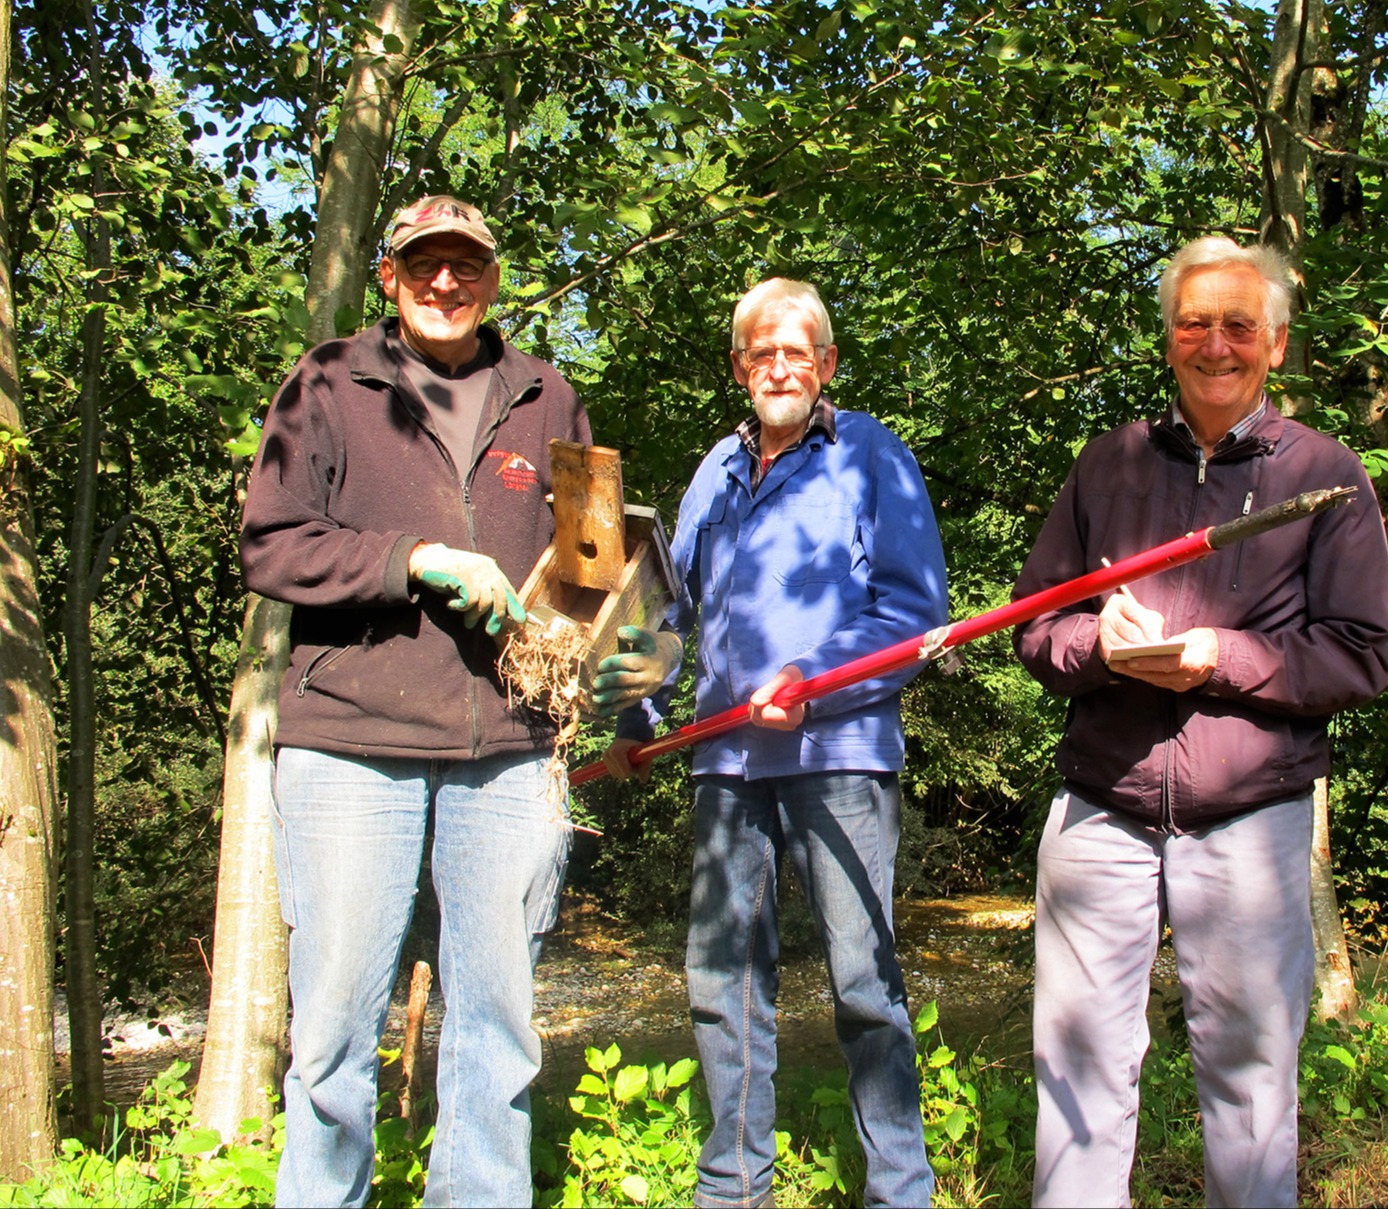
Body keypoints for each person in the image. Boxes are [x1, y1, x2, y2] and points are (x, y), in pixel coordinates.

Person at [1011, 236, 1388, 1208]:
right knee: (1076, 1078)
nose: (1214, 345)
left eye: (1237, 325)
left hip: (1252, 824)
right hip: (1101, 810)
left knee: (1249, 1085)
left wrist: (1218, 660)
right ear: (1168, 338)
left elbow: (1365, 653)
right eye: (1194, 323)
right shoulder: (1109, 465)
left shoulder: (1325, 475)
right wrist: (1098, 646)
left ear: (1273, 341)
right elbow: (1032, 626)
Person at [240, 194, 589, 1207]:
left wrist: (613, 642)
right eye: (424, 264)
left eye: (467, 266)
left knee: (496, 1034)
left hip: (512, 750)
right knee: (336, 1034)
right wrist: (415, 559)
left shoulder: (547, 398)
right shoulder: (328, 384)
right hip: (352, 743)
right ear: (388, 277)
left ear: (491, 279)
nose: (447, 283)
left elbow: (591, 555)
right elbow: (271, 543)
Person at [594, 278, 947, 1209]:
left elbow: (913, 612)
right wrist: (641, 706)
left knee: (864, 985)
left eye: (798, 351)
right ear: (740, 367)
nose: (779, 366)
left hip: (839, 757)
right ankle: (732, 1188)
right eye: (761, 352)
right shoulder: (714, 469)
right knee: (722, 983)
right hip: (724, 765)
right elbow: (670, 613)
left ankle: (899, 1191)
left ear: (826, 364)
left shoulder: (870, 453)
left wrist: (815, 680)